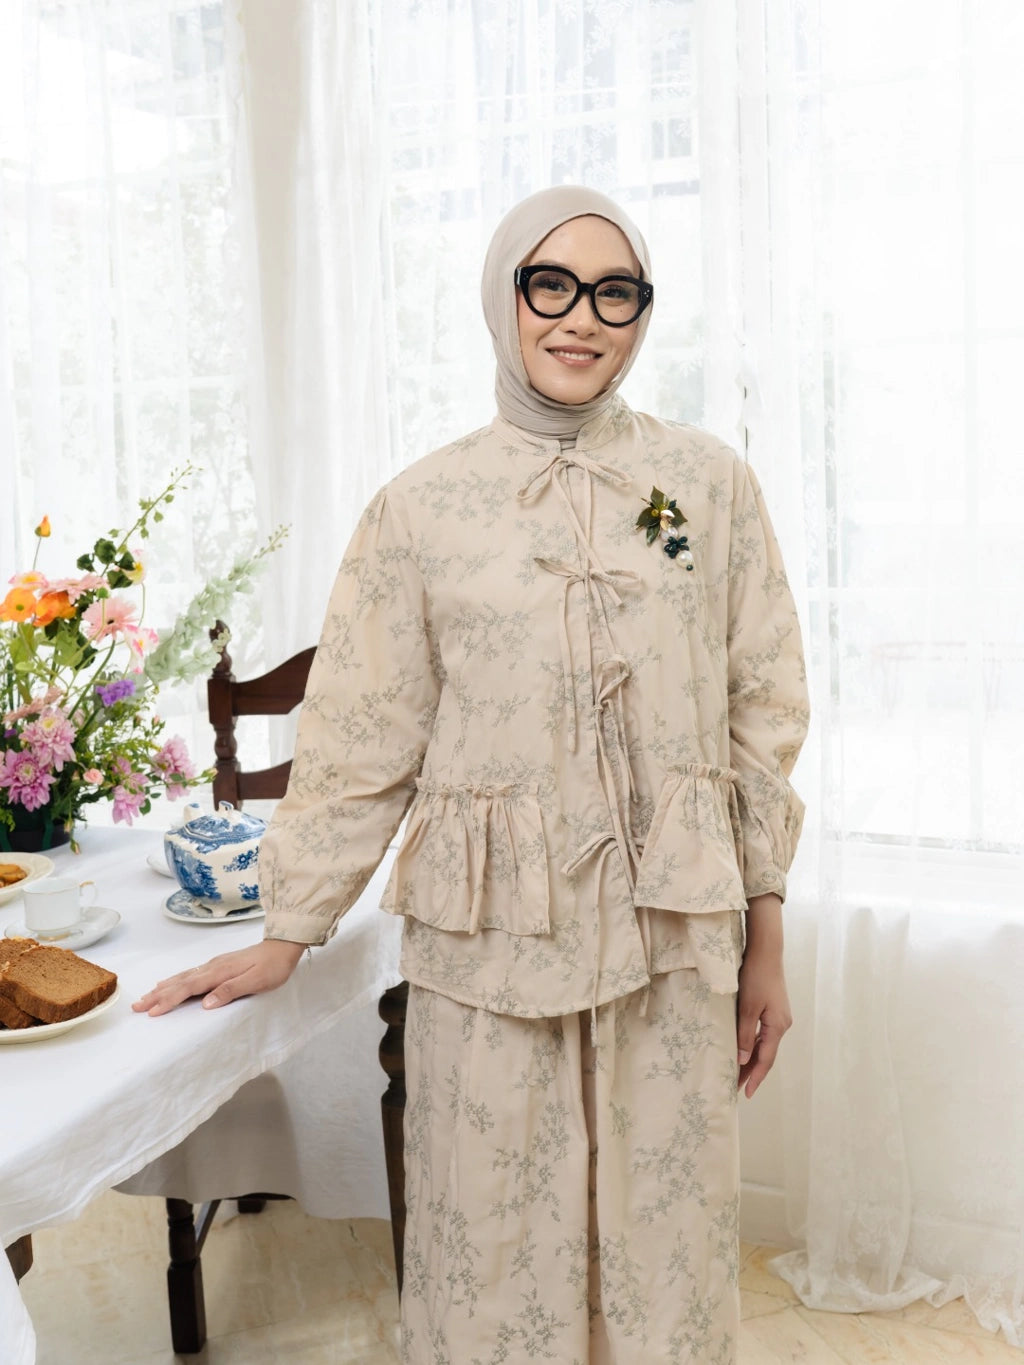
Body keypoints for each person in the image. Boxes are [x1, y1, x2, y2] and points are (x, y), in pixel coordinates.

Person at [135, 184, 809, 1364]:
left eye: (616, 293)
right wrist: (288, 927)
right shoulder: (419, 508)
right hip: (490, 940)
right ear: (505, 297)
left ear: (644, 314)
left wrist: (766, 933)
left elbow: (762, 710)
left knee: (664, 1251)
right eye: (549, 285)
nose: (580, 319)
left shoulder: (706, 488)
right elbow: (358, 736)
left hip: (674, 932)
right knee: (494, 1248)